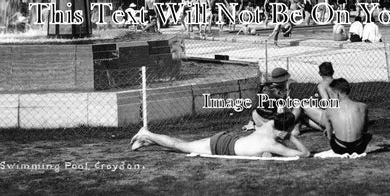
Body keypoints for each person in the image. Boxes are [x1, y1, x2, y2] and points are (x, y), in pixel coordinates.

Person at [131, 111, 310, 158]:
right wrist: (292, 136)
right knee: (180, 145)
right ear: (284, 130)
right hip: (223, 145)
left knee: (180, 147)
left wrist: (285, 130)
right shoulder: (273, 144)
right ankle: (147, 133)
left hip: (228, 140)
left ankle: (148, 141)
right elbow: (305, 154)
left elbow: (280, 119)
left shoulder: (269, 125)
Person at [324, 78, 372, 155]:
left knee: (328, 132)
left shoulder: (329, 110)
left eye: (331, 94)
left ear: (337, 94)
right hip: (359, 147)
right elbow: (365, 129)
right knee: (368, 135)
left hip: (339, 148)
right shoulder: (363, 106)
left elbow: (329, 136)